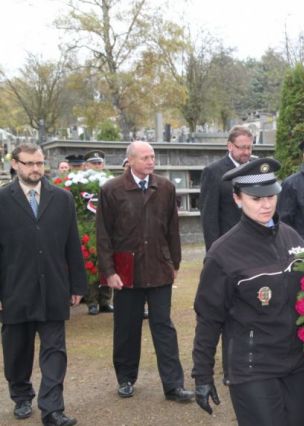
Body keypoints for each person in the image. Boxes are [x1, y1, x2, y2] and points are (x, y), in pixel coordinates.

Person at [192, 158, 304, 426]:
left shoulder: (293, 238)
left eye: (271, 195)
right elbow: (209, 318)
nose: (266, 204)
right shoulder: (223, 253)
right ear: (237, 199)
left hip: (296, 363)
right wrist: (202, 374)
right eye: (256, 198)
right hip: (252, 368)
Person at [96, 141, 194, 403]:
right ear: (130, 161)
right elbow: (103, 235)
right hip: (126, 271)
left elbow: (173, 229)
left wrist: (175, 263)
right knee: (126, 327)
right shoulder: (111, 190)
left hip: (159, 268)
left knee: (164, 326)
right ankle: (126, 378)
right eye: (145, 157)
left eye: (153, 157)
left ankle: (174, 385)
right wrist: (109, 272)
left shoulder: (165, 187)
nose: (151, 161)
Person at [0, 143, 87, 426]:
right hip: (14, 289)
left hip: (53, 288)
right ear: (15, 164)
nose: (36, 169)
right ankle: (21, 395)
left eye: (39, 163)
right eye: (29, 164)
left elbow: (72, 244)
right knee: (17, 350)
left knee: (54, 350)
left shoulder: (61, 199)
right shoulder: (2, 200)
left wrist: (77, 284)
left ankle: (52, 409)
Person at [200, 126, 255, 250]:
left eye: (249, 147)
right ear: (230, 146)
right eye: (241, 148)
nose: (246, 152)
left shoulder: (256, 169)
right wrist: (214, 251)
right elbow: (209, 217)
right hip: (229, 243)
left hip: (255, 241)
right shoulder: (213, 172)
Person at [82, 150, 113, 315]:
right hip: (87, 227)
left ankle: (105, 300)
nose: (97, 166)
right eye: (93, 163)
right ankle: (92, 301)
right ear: (86, 165)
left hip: (107, 228)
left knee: (107, 263)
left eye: (99, 163)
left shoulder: (110, 182)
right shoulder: (79, 183)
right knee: (91, 264)